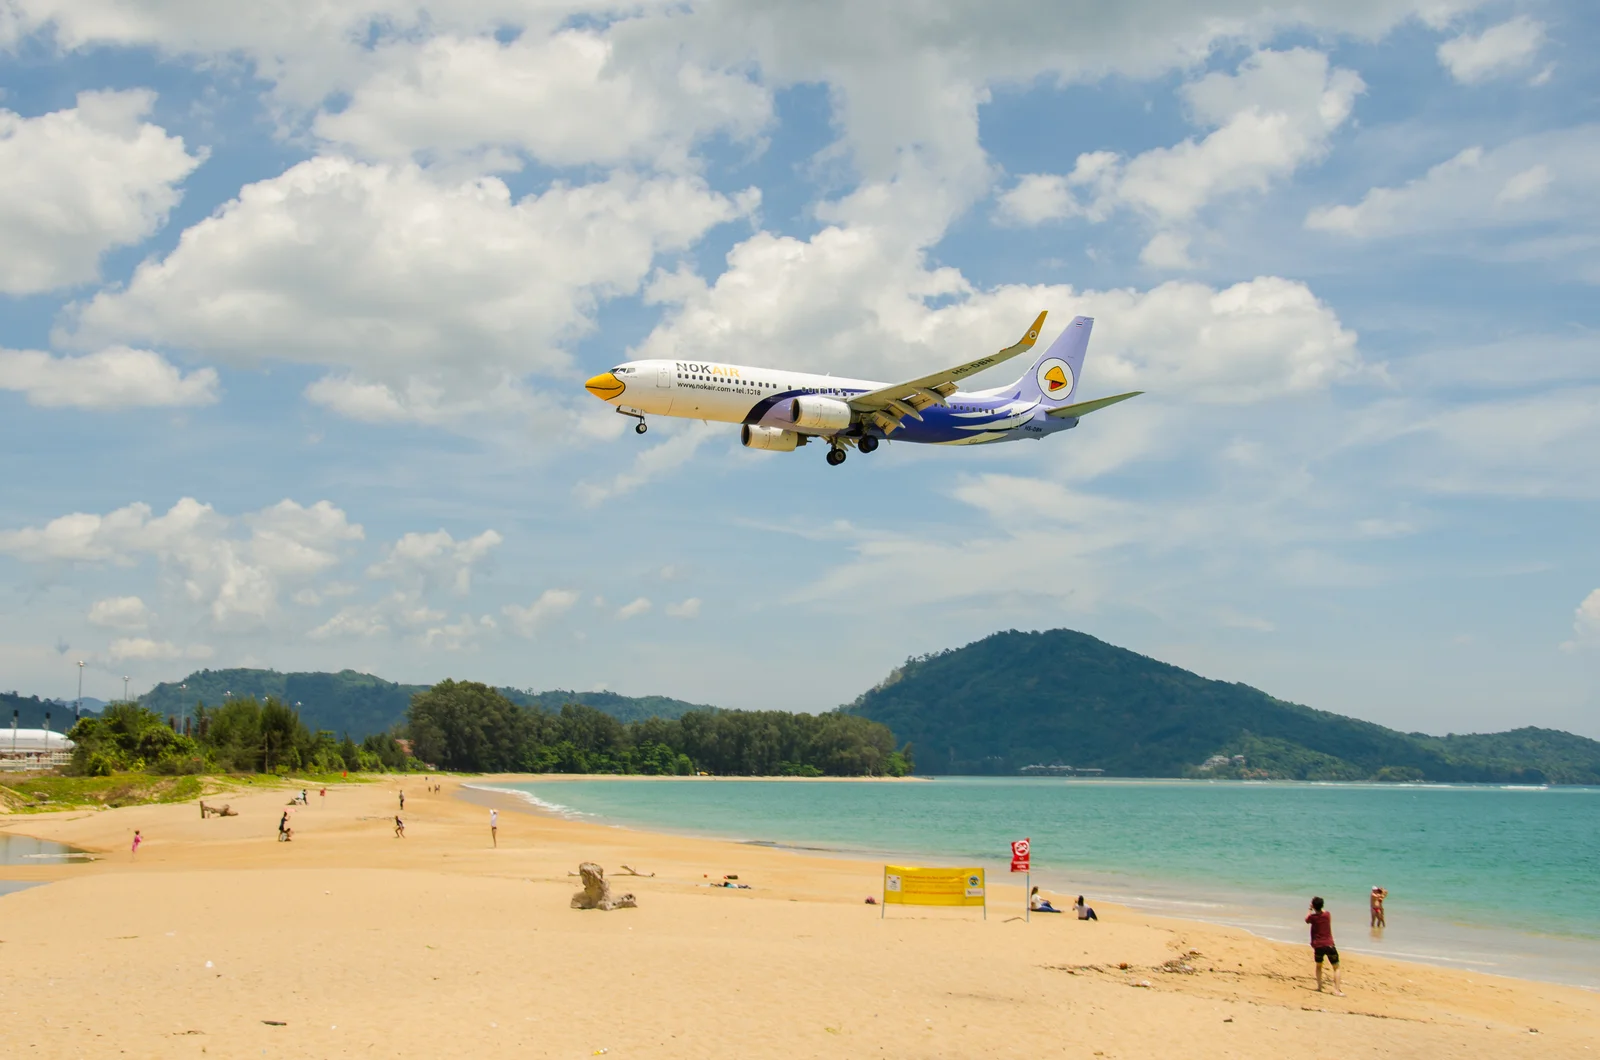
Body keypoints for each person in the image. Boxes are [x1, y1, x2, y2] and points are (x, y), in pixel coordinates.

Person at [1307, 896, 1344, 995]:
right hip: (1329, 945)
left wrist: (1310, 909)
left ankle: (1319, 987)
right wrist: (1317, 907)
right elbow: (1322, 911)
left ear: (1314, 906)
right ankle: (1336, 990)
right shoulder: (1327, 915)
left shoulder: (1312, 918)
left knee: (1319, 966)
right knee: (1336, 967)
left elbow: (1306, 919)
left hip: (1318, 946)